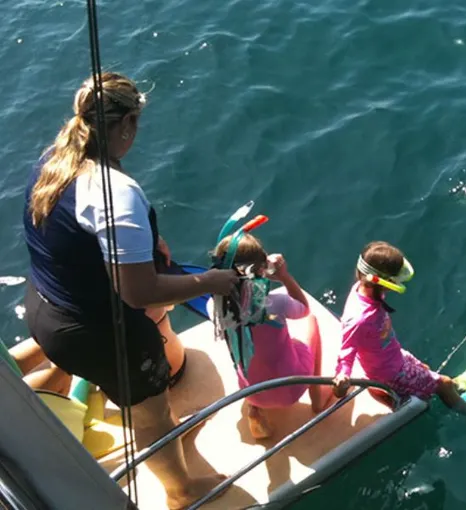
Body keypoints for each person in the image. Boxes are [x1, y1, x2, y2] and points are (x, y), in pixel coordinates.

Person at [22, 72, 238, 509]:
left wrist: (144, 246)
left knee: (150, 405)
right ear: (127, 124)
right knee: (150, 416)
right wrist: (212, 281)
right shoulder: (117, 193)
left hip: (45, 310)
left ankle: (167, 437)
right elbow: (139, 293)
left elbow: (74, 237)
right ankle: (181, 491)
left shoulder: (53, 162)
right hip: (98, 335)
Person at [331, 241, 466, 424]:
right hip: (390, 373)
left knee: (425, 369)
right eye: (393, 281)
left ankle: (450, 389)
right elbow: (346, 351)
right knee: (443, 384)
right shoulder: (359, 318)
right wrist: (342, 378)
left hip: (394, 356)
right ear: (378, 281)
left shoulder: (364, 288)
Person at [208, 231, 331, 440]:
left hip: (250, 391)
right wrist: (284, 276)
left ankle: (255, 409)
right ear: (260, 269)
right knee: (312, 322)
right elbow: (304, 309)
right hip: (291, 391)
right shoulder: (276, 303)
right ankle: (317, 396)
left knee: (248, 350)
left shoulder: (215, 308)